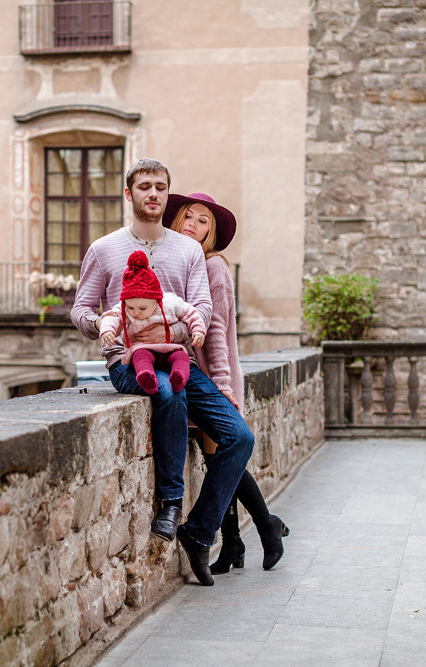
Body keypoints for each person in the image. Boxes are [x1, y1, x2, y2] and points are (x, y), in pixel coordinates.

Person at [71, 158, 255, 586]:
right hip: (126, 362)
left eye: (160, 187)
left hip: (179, 359)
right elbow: (81, 308)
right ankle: (172, 502)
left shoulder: (188, 250)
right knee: (169, 395)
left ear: (166, 195)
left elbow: (203, 308)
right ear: (129, 194)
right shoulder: (103, 249)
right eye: (144, 187)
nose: (152, 194)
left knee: (239, 437)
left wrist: (168, 328)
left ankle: (198, 529)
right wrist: (102, 324)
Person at [166, 192, 291, 572]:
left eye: (204, 221)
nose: (193, 224)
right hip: (197, 374)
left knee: (224, 458)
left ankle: (266, 530)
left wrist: (220, 382)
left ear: (212, 234)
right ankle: (235, 544)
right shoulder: (182, 263)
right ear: (177, 222)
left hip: (214, 374)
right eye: (189, 216)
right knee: (217, 460)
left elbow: (216, 328)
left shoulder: (213, 267)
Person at [99, 251, 206, 395]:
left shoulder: (169, 303)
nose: (136, 312)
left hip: (170, 347)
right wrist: (107, 330)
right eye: (131, 307)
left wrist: (198, 329)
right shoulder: (125, 307)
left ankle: (179, 377)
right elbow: (111, 317)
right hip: (142, 348)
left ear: (156, 301)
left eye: (142, 308)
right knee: (139, 356)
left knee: (181, 357)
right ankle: (145, 377)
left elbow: (190, 313)